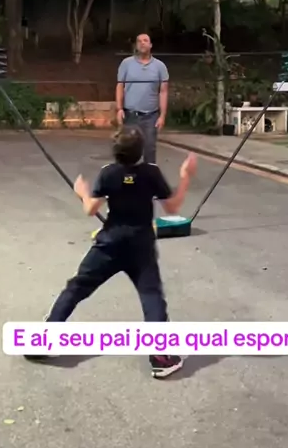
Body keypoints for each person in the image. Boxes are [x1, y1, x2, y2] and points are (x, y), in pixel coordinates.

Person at [28, 126, 197, 379]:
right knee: (151, 296)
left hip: (109, 243)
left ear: (116, 152)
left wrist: (82, 192)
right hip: (140, 246)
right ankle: (161, 358)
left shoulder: (108, 173)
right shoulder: (151, 173)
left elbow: (90, 208)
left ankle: (44, 342)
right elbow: (172, 207)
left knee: (76, 288)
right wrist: (185, 176)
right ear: (141, 151)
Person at [116, 33, 169, 164]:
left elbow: (163, 91)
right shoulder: (126, 63)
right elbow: (120, 86)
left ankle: (149, 176)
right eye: (139, 41)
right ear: (136, 45)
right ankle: (127, 176)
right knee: (128, 150)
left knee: (149, 150)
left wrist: (162, 116)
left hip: (150, 116)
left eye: (145, 40)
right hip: (130, 115)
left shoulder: (160, 66)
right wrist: (119, 109)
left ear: (150, 45)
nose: (142, 43)